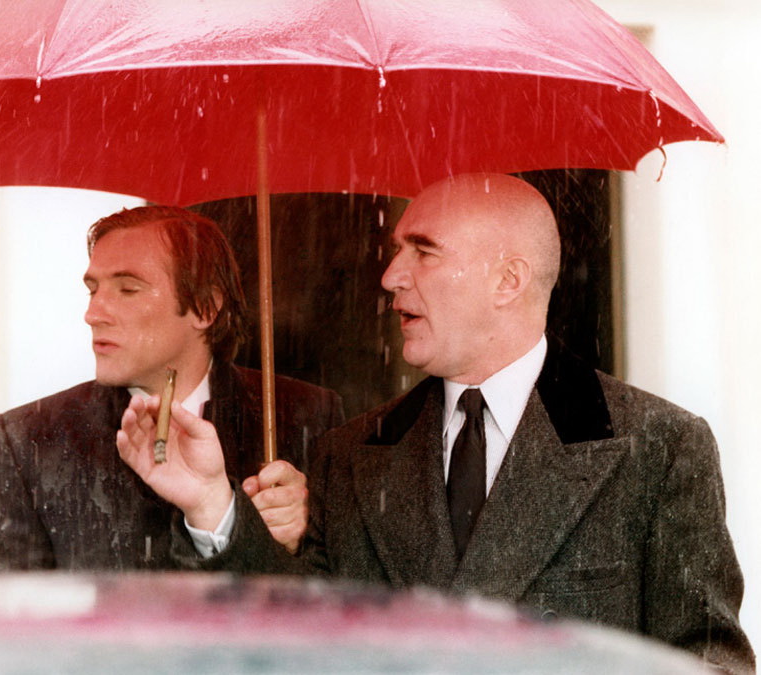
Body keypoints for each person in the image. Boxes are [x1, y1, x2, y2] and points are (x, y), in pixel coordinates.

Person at [116, 175, 754, 673]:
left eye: (422, 251)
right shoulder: (352, 453)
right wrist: (211, 503)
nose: (391, 276)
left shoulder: (657, 446)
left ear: (508, 280)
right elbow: (296, 639)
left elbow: (709, 663)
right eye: (399, 250)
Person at [0, 205, 344, 570]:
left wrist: (299, 537)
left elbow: (343, 589)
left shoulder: (303, 415)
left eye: (128, 289)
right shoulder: (29, 438)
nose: (93, 314)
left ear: (205, 307)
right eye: (93, 290)